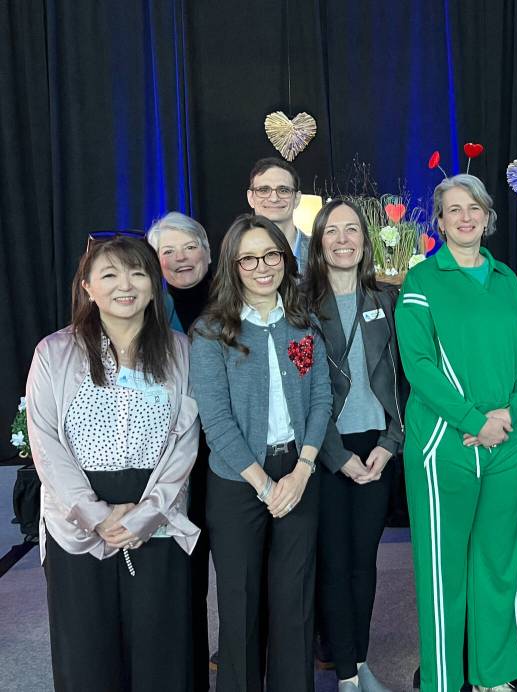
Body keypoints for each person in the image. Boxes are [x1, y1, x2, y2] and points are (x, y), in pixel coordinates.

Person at [25, 234, 200, 691]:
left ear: (153, 283)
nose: (126, 285)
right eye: (110, 274)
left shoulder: (180, 350)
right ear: (87, 286)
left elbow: (186, 440)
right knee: (87, 653)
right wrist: (95, 514)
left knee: (161, 651)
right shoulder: (53, 353)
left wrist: (146, 514)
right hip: (76, 519)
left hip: (158, 512)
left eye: (138, 272)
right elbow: (45, 444)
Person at [396, 174, 517, 692]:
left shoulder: (506, 278)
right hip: (446, 443)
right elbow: (418, 365)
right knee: (443, 568)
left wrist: (508, 414)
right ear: (438, 222)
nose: (464, 217)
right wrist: (474, 421)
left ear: (487, 216)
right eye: (453, 209)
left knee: (500, 559)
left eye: (473, 208)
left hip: (506, 441)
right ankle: (443, 680)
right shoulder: (422, 281)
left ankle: (494, 675)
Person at [190, 214, 332, 692]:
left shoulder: (302, 321)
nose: (262, 266)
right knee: (240, 601)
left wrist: (302, 470)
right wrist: (266, 485)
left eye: (270, 255)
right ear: (232, 266)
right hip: (237, 480)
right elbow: (217, 422)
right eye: (247, 258)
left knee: (295, 602)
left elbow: (321, 399)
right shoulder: (210, 332)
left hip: (297, 469)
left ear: (284, 258)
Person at [302, 198, 404, 692]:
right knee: (333, 563)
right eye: (332, 232)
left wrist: (390, 441)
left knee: (366, 561)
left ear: (365, 241)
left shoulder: (387, 299)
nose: (344, 240)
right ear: (319, 243)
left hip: (376, 446)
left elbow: (403, 380)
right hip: (324, 449)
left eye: (352, 231)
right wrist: (337, 457)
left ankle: (360, 661)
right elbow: (299, 392)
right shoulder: (299, 307)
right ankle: (343, 672)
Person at [147, 210, 214, 690]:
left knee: (241, 574)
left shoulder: (237, 292)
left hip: (232, 458)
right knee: (184, 576)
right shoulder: (148, 307)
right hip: (176, 463)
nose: (178, 258)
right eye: (166, 251)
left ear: (206, 251)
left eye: (187, 247)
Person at [147, 211, 214, 333]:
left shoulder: (237, 301)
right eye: (169, 251)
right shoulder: (150, 314)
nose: (180, 257)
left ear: (208, 253)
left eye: (190, 247)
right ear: (156, 262)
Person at [247, 157, 309, 272]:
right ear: (250, 198)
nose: (274, 198)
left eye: (283, 190)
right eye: (264, 190)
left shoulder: (321, 250)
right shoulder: (237, 253)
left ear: (297, 198)